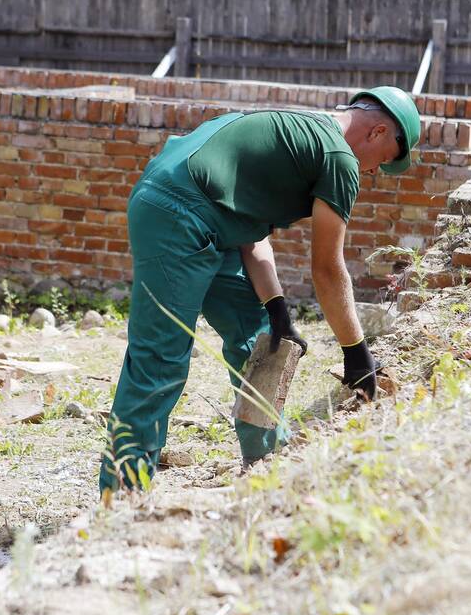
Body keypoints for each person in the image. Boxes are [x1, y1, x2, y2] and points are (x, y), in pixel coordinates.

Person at [99, 86, 421, 497]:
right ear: (377, 132)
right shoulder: (339, 158)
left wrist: (276, 307)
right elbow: (327, 268)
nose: (375, 172)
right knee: (160, 359)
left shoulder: (298, 130)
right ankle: (121, 498)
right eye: (385, 162)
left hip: (207, 215)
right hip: (178, 213)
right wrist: (356, 350)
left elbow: (252, 234)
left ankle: (267, 469)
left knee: (260, 343)